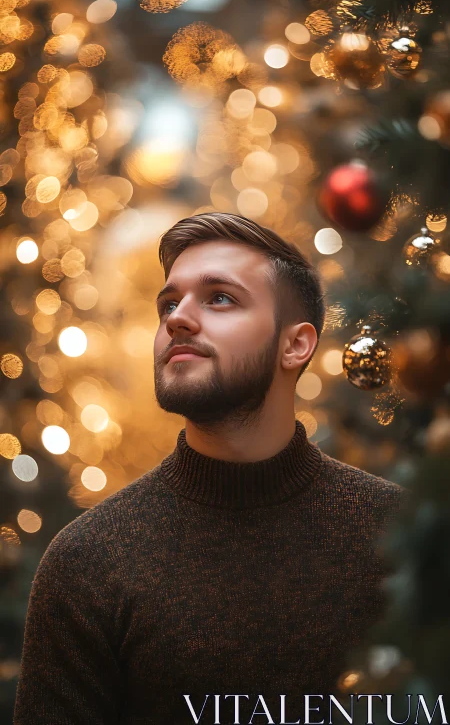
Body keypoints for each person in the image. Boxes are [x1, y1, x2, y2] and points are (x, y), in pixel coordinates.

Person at [14, 211, 406, 725]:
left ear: (296, 344)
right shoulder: (89, 563)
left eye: (220, 297)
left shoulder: (402, 535)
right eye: (169, 304)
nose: (177, 317)